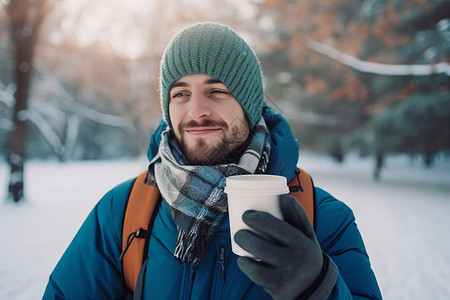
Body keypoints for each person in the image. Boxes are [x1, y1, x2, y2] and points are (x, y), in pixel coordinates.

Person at [43, 22, 382, 299]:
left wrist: (319, 287)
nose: (197, 111)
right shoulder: (121, 213)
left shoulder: (323, 217)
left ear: (248, 106)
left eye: (217, 91)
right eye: (180, 94)